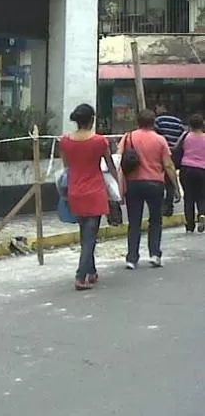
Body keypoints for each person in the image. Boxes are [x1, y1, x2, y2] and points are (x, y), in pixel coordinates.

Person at [59, 103, 118, 291]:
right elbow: (110, 164)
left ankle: (91, 271)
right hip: (95, 191)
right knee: (90, 236)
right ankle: (80, 276)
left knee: (86, 234)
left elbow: (67, 165)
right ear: (92, 120)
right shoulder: (100, 141)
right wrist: (118, 185)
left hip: (75, 192)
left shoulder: (65, 141)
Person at [118, 108, 182, 269]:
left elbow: (118, 158)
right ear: (154, 123)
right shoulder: (160, 140)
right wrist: (175, 187)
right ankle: (154, 254)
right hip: (155, 183)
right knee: (155, 220)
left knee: (134, 222)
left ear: (137, 122)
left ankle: (132, 258)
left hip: (133, 183)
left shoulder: (128, 137)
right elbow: (168, 164)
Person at [154, 104, 184, 217]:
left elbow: (155, 136)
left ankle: (161, 205)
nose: (156, 110)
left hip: (161, 153)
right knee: (170, 181)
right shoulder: (178, 122)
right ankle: (169, 206)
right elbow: (181, 138)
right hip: (174, 154)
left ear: (162, 107)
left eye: (157, 108)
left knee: (159, 180)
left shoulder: (158, 121)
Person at [177, 113, 205, 234]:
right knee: (202, 196)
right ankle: (202, 215)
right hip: (202, 169)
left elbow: (176, 148)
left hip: (186, 168)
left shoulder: (185, 136)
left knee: (188, 197)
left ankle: (189, 224)